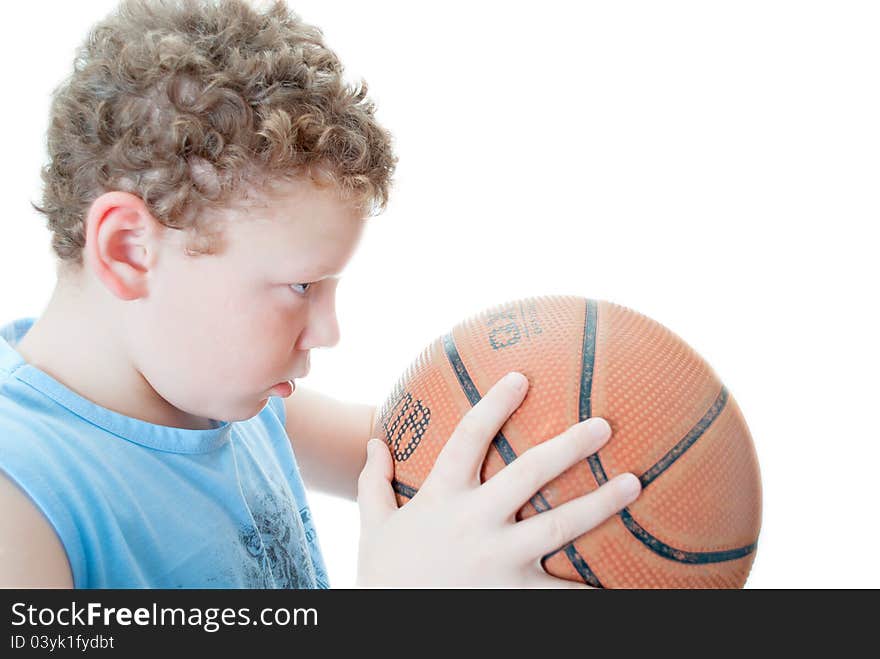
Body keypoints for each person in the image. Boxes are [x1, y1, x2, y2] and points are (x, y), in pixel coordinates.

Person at [0, 0, 641, 588]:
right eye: (301, 286)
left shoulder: (235, 405)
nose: (329, 330)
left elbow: (412, 456)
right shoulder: (23, 499)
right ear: (130, 251)